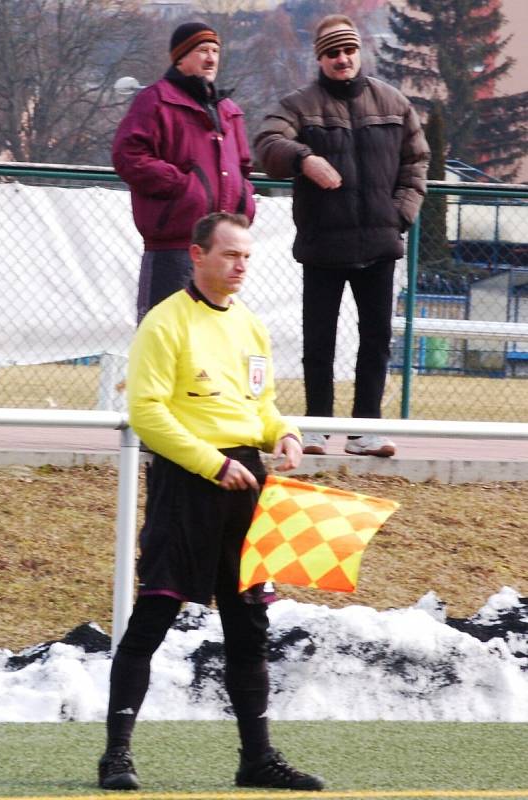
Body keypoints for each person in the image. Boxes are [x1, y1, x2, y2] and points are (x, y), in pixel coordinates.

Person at [98, 212, 325, 793]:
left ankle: (257, 760)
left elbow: (263, 404)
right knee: (153, 616)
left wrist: (285, 433)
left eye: (247, 255)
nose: (241, 265)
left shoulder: (251, 325)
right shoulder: (164, 323)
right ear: (196, 256)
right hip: (189, 483)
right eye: (230, 255)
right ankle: (116, 757)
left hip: (246, 483)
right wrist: (211, 462)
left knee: (249, 626)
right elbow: (147, 412)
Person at [255, 14, 430, 457]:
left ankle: (364, 432)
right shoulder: (298, 104)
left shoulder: (393, 102)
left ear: (359, 52)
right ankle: (315, 428)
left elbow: (416, 161)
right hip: (323, 246)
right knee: (319, 343)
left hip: (378, 244)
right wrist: (302, 159)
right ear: (320, 58)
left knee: (375, 341)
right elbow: (266, 143)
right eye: (332, 53)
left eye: (348, 50)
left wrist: (399, 216)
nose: (342, 59)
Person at [112, 21, 255, 322]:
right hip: (173, 247)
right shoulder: (154, 101)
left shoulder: (228, 110)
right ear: (181, 57)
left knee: (213, 342)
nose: (211, 58)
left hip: (219, 251)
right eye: (203, 50)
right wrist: (182, 187)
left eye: (216, 51)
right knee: (164, 335)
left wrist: (245, 199)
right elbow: (128, 154)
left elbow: (243, 166)